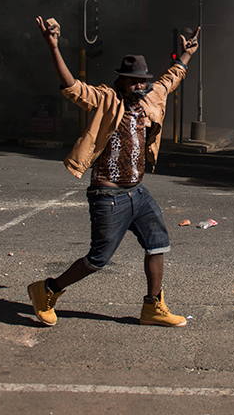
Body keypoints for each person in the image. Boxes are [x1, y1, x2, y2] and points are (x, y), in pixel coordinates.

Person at [28, 16, 198, 327]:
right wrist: (53, 46)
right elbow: (72, 87)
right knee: (98, 259)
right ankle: (47, 290)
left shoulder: (149, 98)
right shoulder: (107, 98)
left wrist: (187, 54)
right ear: (120, 80)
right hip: (108, 194)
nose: (140, 85)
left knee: (158, 243)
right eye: (133, 80)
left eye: (142, 80)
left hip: (138, 192)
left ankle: (152, 306)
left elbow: (171, 78)